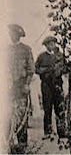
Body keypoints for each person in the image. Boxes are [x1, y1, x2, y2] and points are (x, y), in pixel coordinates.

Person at [7, 24, 35, 152]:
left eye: (13, 33)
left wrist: (26, 84)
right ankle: (9, 143)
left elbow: (31, 70)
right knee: (8, 114)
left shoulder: (26, 50)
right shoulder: (5, 49)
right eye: (10, 33)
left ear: (18, 35)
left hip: (21, 85)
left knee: (22, 114)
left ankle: (22, 145)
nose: (11, 36)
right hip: (7, 87)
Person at [35, 36, 67, 140]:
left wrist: (59, 70)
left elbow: (65, 69)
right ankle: (48, 132)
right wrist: (47, 70)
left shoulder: (60, 56)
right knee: (47, 108)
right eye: (49, 44)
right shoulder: (41, 57)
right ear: (46, 45)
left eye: (53, 43)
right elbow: (36, 69)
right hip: (46, 85)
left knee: (59, 108)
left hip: (57, 84)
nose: (51, 46)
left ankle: (61, 131)